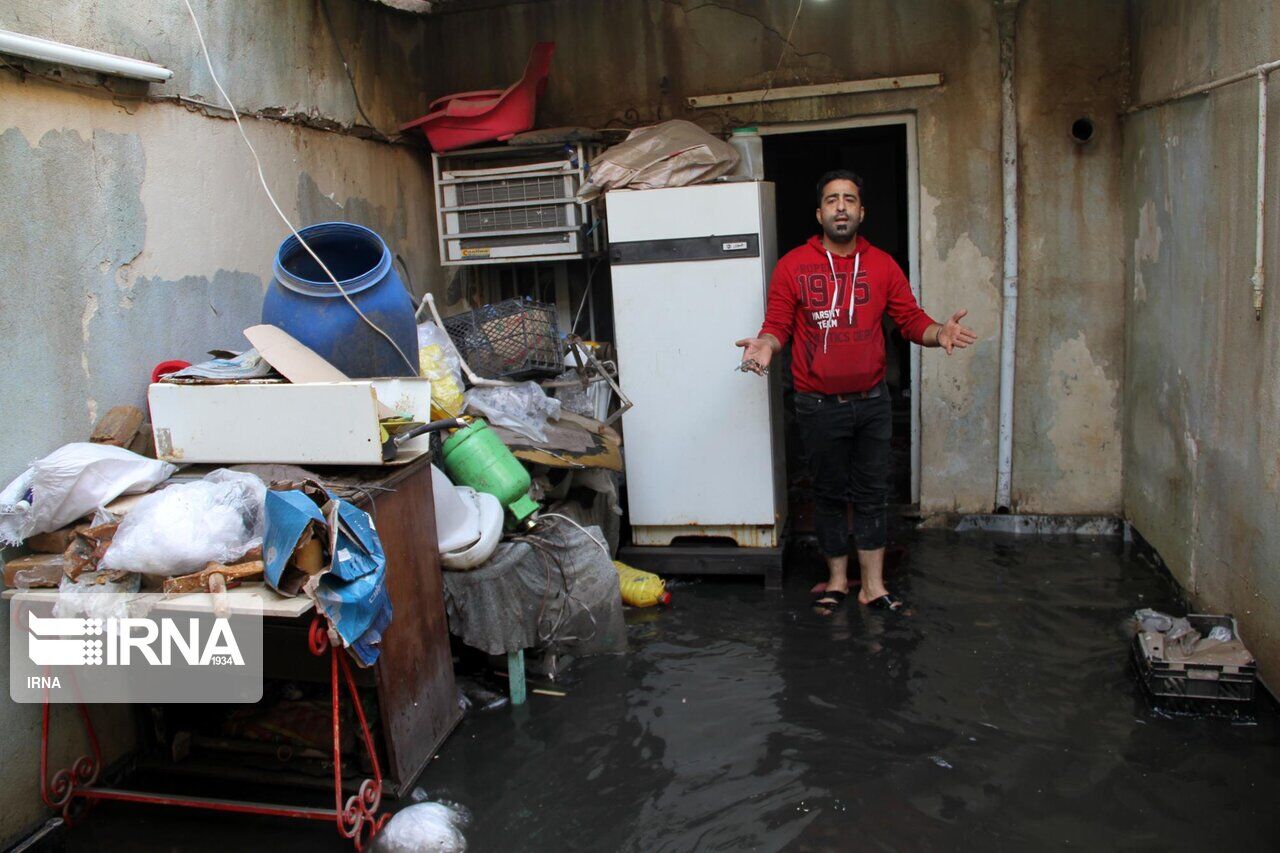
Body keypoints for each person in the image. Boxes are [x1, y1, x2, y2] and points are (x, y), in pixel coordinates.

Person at [736, 170, 977, 612]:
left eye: (849, 199)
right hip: (817, 405)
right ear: (819, 213)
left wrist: (938, 331)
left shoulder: (883, 265)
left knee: (871, 495)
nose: (841, 206)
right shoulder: (793, 266)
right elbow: (777, 325)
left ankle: (873, 586)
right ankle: (836, 581)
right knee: (827, 494)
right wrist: (765, 345)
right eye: (832, 200)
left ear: (862, 212)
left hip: (871, 404)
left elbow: (910, 320)